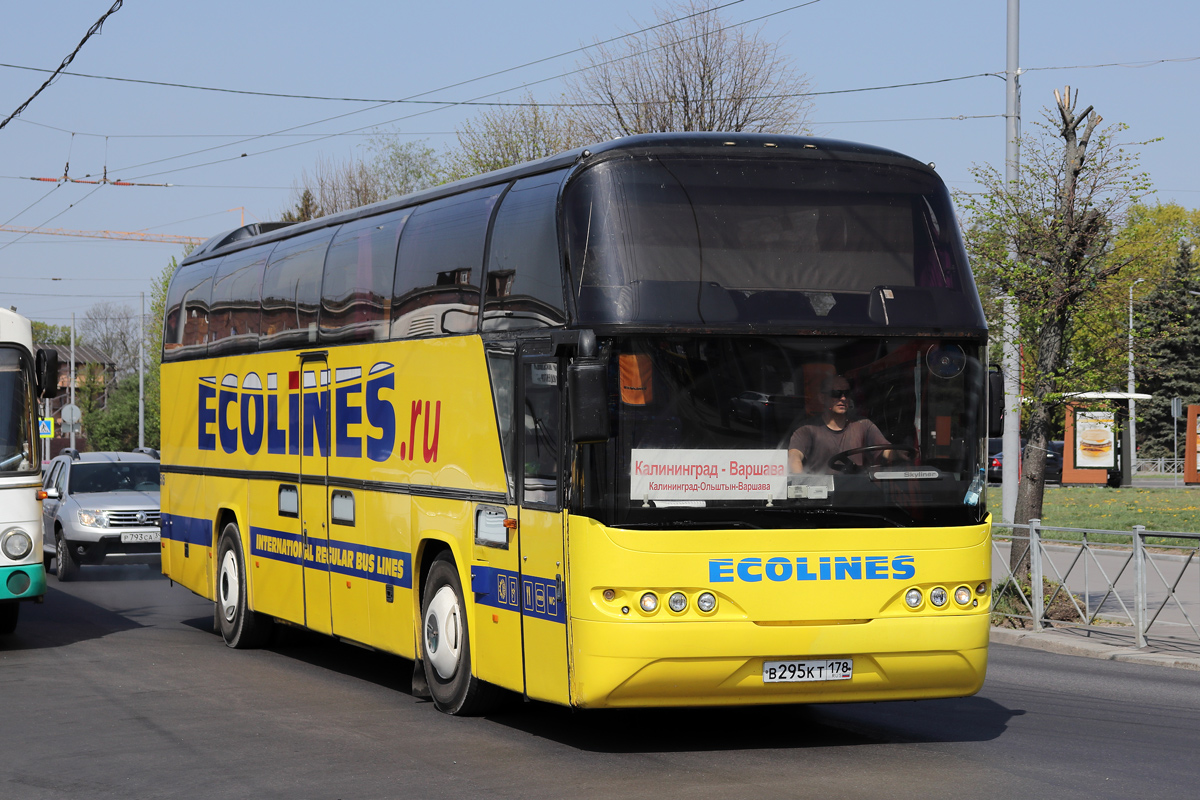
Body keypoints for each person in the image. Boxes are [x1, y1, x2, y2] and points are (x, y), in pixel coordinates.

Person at [788, 374, 895, 474]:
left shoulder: (864, 425)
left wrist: (899, 453)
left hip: (860, 490)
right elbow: (794, 457)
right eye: (836, 393)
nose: (843, 398)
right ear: (822, 398)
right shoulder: (807, 429)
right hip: (822, 491)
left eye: (846, 394)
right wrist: (802, 483)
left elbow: (886, 451)